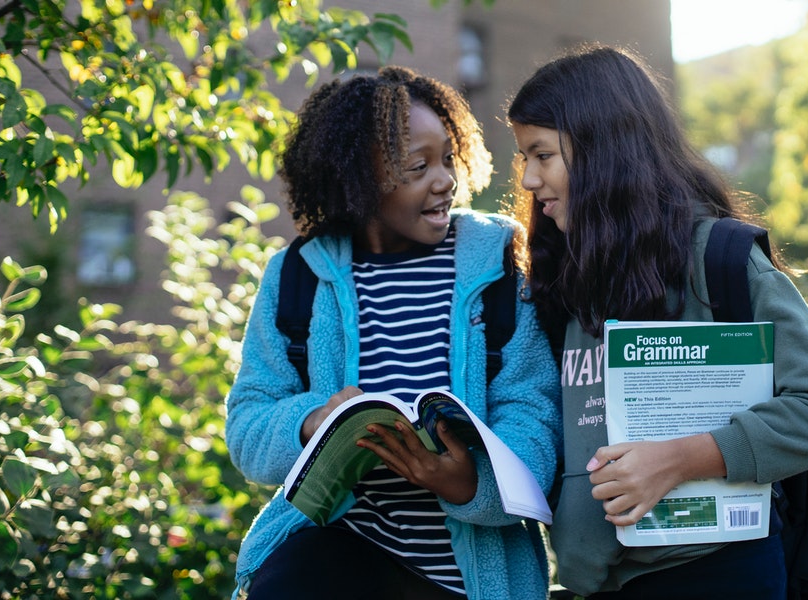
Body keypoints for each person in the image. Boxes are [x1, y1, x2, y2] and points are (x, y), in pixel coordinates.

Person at [505, 44, 808, 599]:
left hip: (716, 576)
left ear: (603, 150)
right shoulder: (569, 275)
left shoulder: (715, 259)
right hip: (599, 585)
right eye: (523, 159)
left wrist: (681, 459)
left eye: (542, 155)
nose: (528, 180)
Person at [225, 66, 561, 600]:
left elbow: (533, 411)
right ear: (358, 179)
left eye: (449, 158)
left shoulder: (498, 260)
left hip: (469, 581)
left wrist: (470, 484)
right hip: (338, 560)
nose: (445, 179)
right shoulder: (297, 275)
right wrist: (313, 421)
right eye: (417, 166)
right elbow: (248, 425)